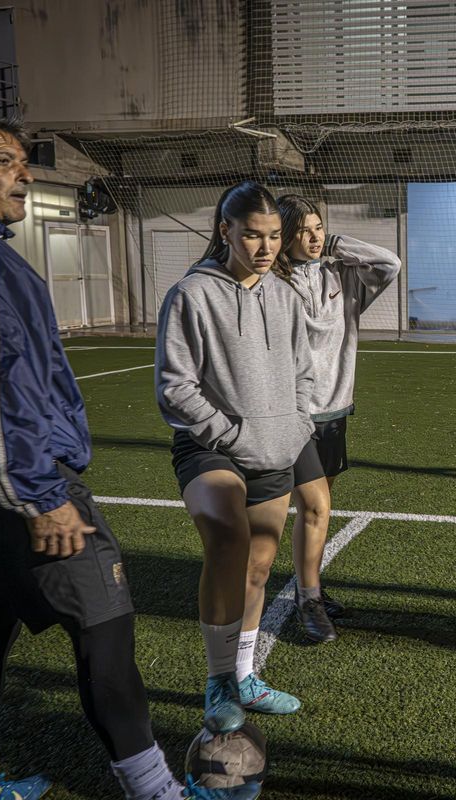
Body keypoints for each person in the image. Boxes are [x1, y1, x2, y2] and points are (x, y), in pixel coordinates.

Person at [0, 107, 254, 800]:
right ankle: (156, 792)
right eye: (3, 161)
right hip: (7, 476)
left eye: (24, 160)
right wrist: (37, 494)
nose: (24, 173)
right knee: (105, 626)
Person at [156, 181, 313, 735]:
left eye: (274, 236)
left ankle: (245, 675)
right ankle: (219, 678)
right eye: (252, 234)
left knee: (261, 564)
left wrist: (296, 429)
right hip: (210, 447)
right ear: (225, 231)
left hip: (276, 447)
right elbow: (175, 388)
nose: (266, 247)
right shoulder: (191, 294)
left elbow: (305, 377)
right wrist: (231, 433)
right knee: (227, 542)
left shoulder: (288, 296)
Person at [274, 193, 400, 641]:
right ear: (284, 236)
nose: (313, 237)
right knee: (315, 506)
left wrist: (337, 244)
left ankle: (312, 585)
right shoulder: (274, 285)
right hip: (294, 415)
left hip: (336, 409)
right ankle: (308, 599)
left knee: (319, 508)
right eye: (303, 230)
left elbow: (390, 264)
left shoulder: (341, 275)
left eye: (318, 227)